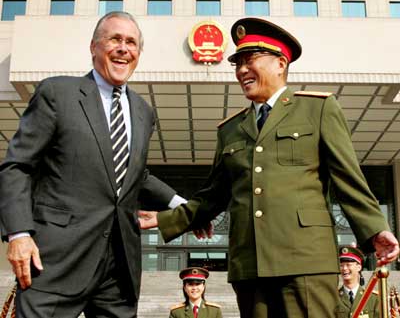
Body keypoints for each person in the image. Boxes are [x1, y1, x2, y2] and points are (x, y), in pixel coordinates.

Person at [138, 17, 399, 318]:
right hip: (250, 267)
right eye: (237, 64)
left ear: (280, 63)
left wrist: (375, 228)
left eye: (250, 60)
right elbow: (212, 197)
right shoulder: (231, 129)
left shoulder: (317, 109)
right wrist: (165, 218)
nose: (241, 71)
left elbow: (348, 179)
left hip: (305, 263)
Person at [0, 11, 188, 318]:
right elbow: (18, 166)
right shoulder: (58, 93)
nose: (123, 48)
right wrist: (19, 234)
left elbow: (134, 174)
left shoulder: (143, 112)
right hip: (55, 261)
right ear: (93, 46)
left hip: (118, 269)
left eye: (131, 42)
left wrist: (182, 205)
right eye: (115, 39)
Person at [337, 246, 379, 318]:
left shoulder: (373, 298)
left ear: (359, 267)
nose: (344, 268)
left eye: (348, 265)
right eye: (341, 265)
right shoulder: (334, 297)